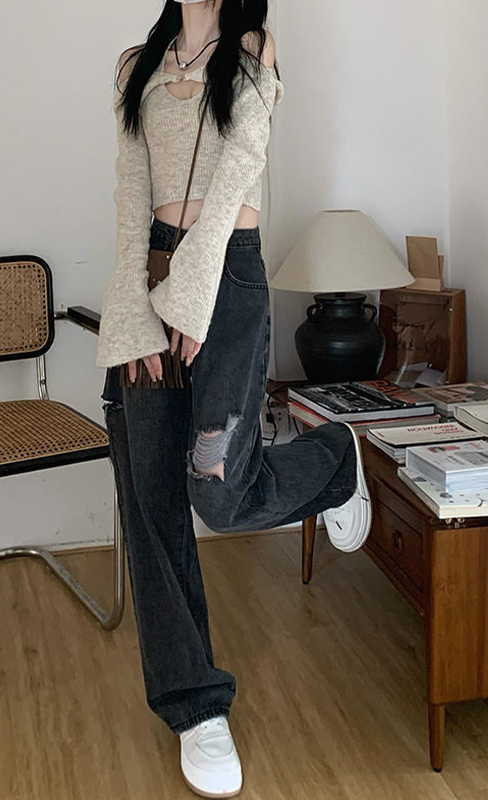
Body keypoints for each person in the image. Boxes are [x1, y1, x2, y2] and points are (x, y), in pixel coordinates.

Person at [95, 1, 371, 796]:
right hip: (150, 277)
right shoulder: (135, 65)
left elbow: (237, 174)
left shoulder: (252, 49)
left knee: (218, 490)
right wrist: (135, 315)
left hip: (228, 274)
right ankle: (195, 706)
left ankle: (333, 458)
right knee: (150, 503)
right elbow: (130, 198)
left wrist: (190, 297)